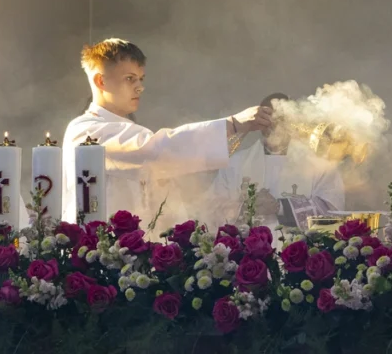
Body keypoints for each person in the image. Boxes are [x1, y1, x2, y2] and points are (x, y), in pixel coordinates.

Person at [62, 38, 273, 225]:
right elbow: (154, 152)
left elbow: (170, 195)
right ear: (101, 81)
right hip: (100, 257)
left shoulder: (136, 132)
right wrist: (233, 124)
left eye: (141, 79)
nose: (139, 87)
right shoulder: (85, 131)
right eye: (130, 78)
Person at [208, 92, 346, 234]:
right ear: (258, 123)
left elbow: (332, 212)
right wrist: (243, 209)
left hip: (301, 253)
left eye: (280, 117)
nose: (273, 123)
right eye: (266, 117)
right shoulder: (235, 163)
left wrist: (280, 207)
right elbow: (212, 208)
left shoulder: (318, 164)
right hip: (247, 253)